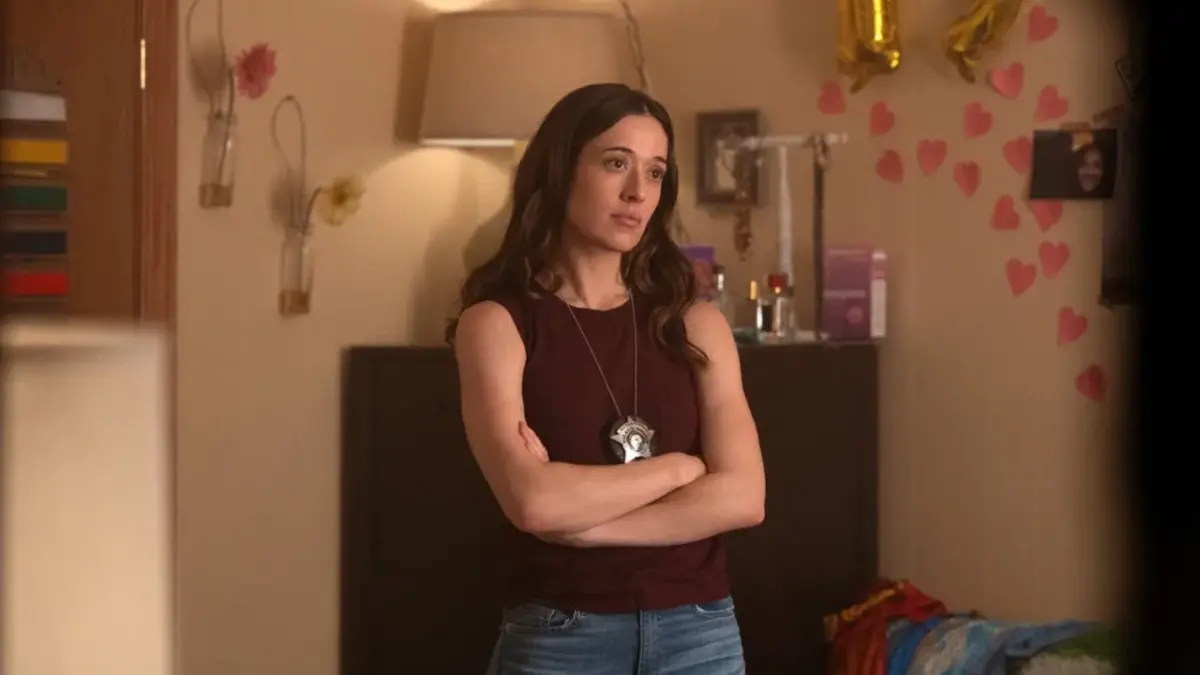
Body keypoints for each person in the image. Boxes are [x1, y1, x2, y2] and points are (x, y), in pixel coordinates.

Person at [447, 82, 766, 675]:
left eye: (655, 172)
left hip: (701, 633)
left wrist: (591, 528)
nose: (637, 192)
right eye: (616, 163)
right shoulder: (496, 324)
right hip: (562, 635)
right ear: (561, 169)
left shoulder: (695, 324)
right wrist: (681, 469)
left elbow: (745, 497)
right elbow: (535, 503)